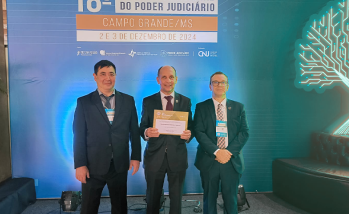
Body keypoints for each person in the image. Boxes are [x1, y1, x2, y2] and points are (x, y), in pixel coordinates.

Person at [73, 60, 141, 214]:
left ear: (115, 76)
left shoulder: (128, 100)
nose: (107, 78)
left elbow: (134, 132)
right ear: (95, 76)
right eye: (102, 74)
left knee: (120, 206)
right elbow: (79, 135)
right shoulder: (84, 102)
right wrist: (80, 164)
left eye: (111, 74)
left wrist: (136, 157)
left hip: (119, 165)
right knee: (89, 207)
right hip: (92, 165)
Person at [194, 71, 249, 214]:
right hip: (209, 160)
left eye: (223, 82)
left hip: (231, 161)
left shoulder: (239, 107)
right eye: (215, 82)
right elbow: (199, 132)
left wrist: (227, 152)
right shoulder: (201, 107)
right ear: (210, 86)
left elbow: (244, 132)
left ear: (228, 86)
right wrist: (217, 151)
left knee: (231, 200)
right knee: (209, 199)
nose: (219, 85)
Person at [140, 65, 193, 214]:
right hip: (154, 157)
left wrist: (189, 134)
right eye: (164, 77)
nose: (168, 80)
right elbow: (142, 126)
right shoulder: (148, 101)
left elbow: (191, 126)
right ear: (158, 80)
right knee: (152, 199)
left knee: (176, 200)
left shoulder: (185, 101)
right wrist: (146, 131)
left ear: (176, 79)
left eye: (171, 77)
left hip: (177, 157)